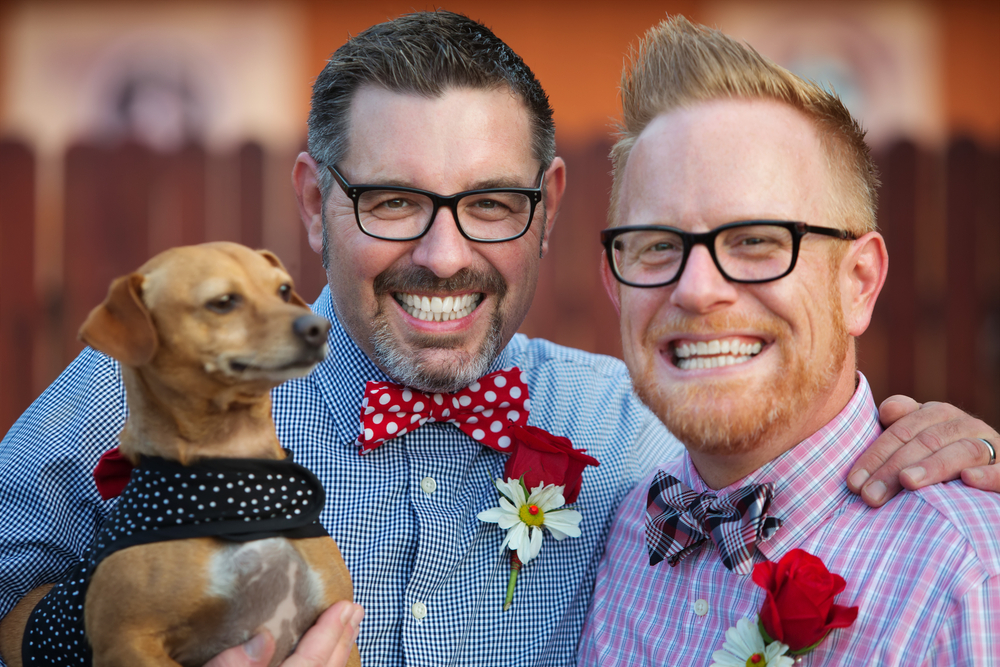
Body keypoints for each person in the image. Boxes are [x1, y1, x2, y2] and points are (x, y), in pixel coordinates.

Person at [0, 11, 996, 667]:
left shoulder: (639, 433)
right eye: (392, 200)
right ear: (315, 202)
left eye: (488, 204)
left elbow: (788, 452)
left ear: (548, 207)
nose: (441, 255)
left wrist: (957, 451)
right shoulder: (146, 382)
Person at [578, 16, 1000, 665]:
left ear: (857, 282)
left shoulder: (966, 577)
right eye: (658, 246)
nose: (696, 289)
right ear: (616, 287)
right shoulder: (623, 527)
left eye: (755, 241)